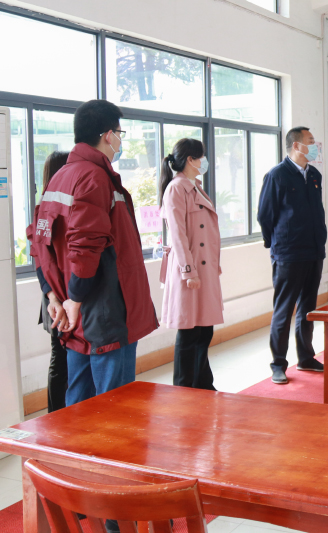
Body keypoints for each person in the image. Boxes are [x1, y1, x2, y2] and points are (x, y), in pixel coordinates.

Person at [29, 99, 158, 409]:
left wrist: (55, 297)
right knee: (115, 407)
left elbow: (39, 244)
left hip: (76, 313)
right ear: (108, 135)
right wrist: (73, 299)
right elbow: (85, 245)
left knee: (79, 403)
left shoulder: (60, 177)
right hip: (105, 313)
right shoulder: (94, 177)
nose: (120, 142)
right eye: (120, 134)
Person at [257, 126, 327, 385]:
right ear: (296, 145)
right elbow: (265, 215)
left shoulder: (315, 175)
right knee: (284, 310)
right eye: (311, 141)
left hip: (314, 251)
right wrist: (275, 244)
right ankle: (278, 364)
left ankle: (306, 357)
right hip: (288, 253)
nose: (315, 145)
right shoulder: (277, 175)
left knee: (308, 308)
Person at [159, 138, 223, 390]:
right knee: (189, 332)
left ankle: (203, 383)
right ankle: (183, 387)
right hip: (190, 270)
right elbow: (178, 235)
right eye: (201, 157)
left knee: (205, 329)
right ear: (190, 160)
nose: (204, 161)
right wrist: (188, 271)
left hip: (204, 269)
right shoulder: (176, 189)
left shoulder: (194, 186)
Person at [33, 150, 70, 413]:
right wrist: (53, 297)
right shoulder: (45, 211)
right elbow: (40, 262)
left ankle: (60, 415)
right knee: (60, 360)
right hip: (54, 299)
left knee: (62, 360)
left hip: (59, 297)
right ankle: (55, 416)